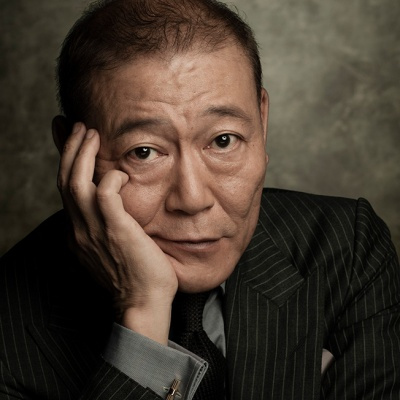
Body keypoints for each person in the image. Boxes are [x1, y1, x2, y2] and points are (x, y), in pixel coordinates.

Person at [1, 0, 399, 398]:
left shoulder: (347, 250)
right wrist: (142, 312)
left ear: (262, 123)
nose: (192, 199)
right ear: (70, 151)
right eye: (144, 152)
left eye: (223, 140)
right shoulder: (9, 330)